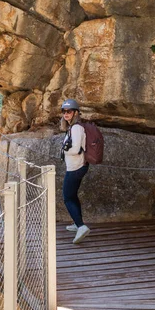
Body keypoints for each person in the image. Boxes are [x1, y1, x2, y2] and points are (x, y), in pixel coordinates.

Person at [60, 99, 91, 244]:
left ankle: (81, 226)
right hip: (76, 166)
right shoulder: (72, 127)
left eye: (69, 111)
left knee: (67, 197)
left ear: (75, 113)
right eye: (64, 112)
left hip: (76, 167)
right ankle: (77, 222)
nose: (66, 114)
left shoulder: (76, 128)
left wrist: (64, 150)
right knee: (73, 195)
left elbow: (76, 149)